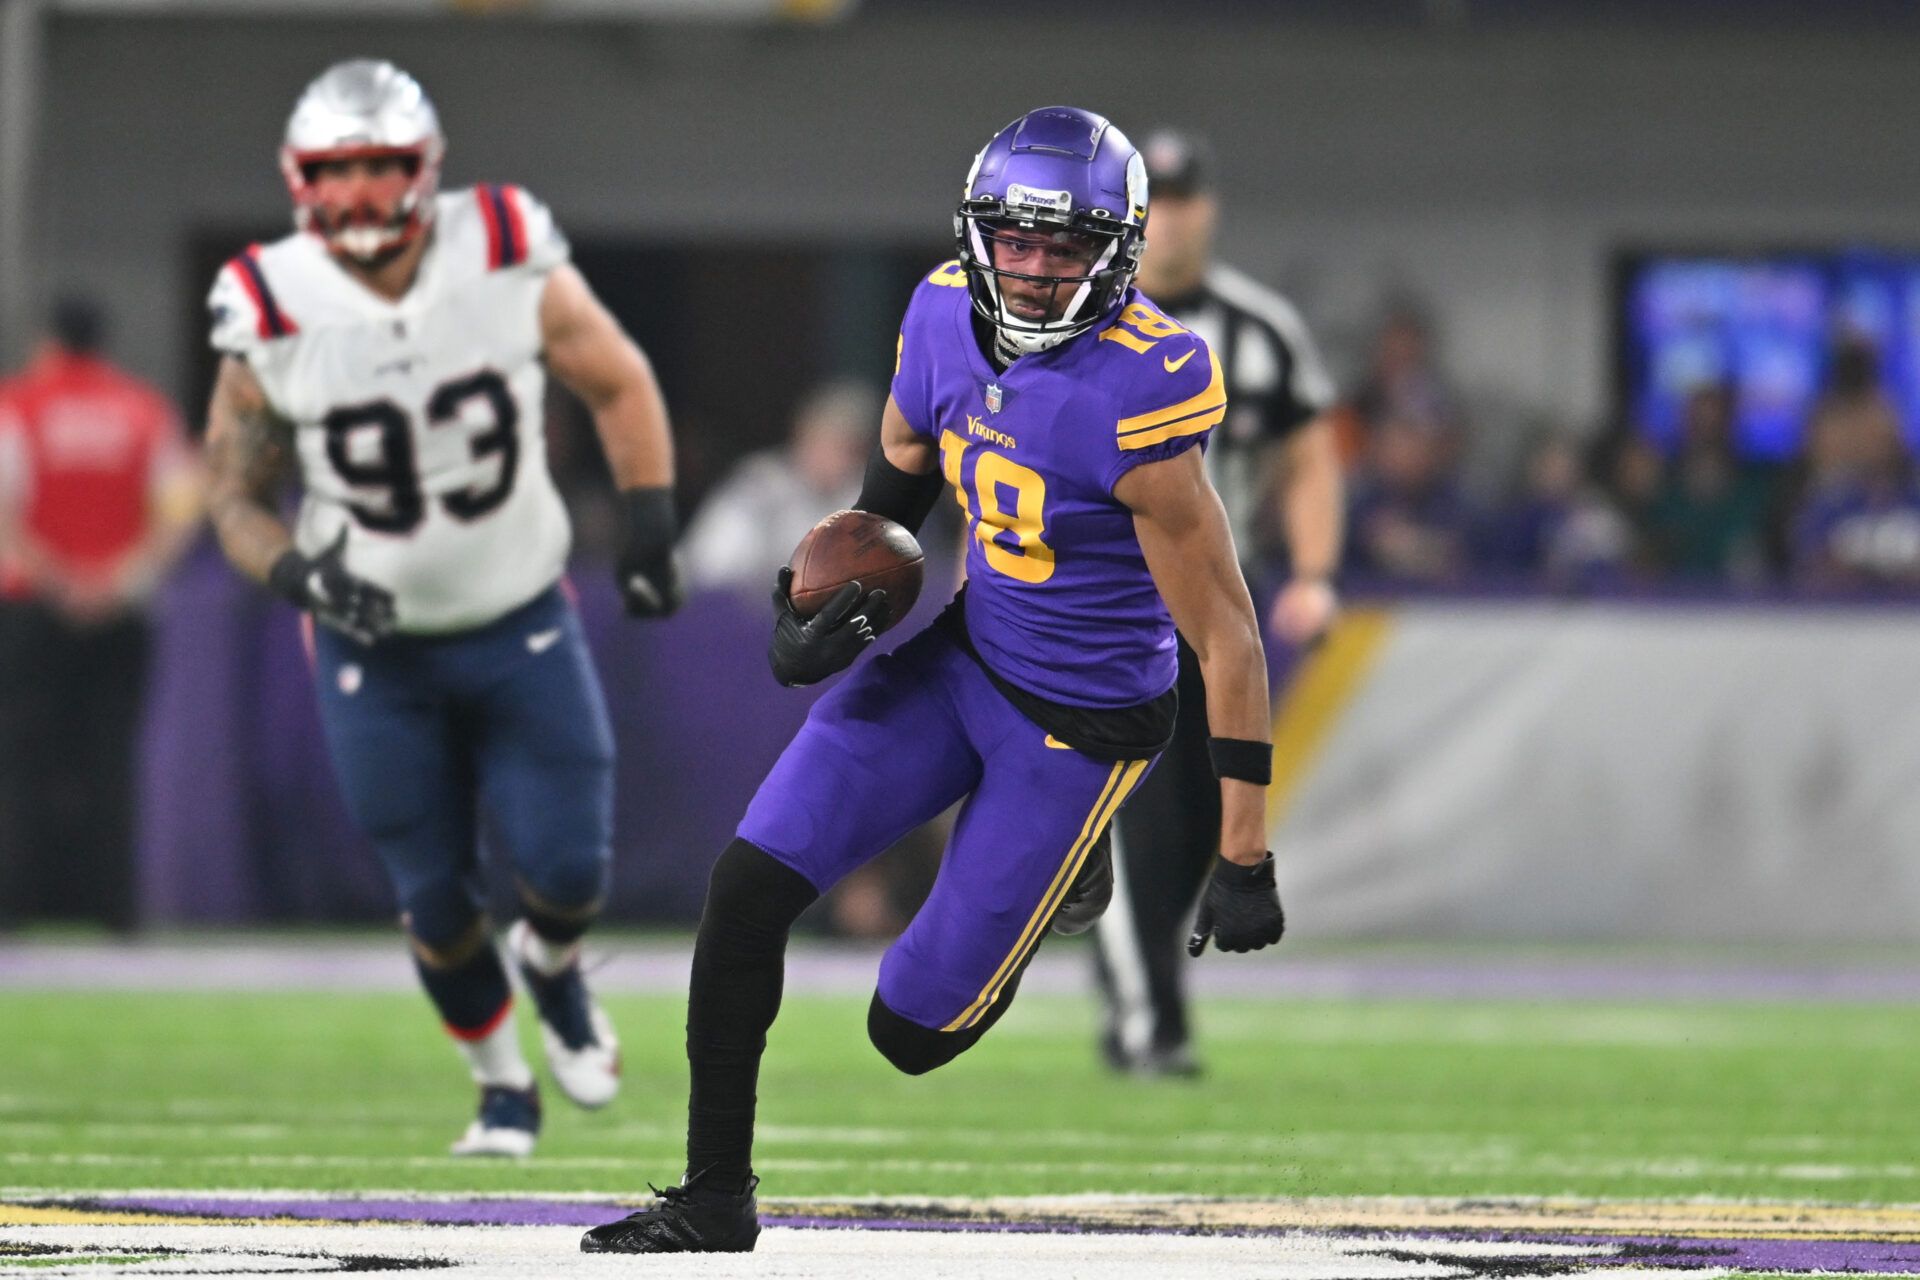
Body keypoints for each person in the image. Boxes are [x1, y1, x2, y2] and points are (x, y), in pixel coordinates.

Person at [581, 105, 1284, 1255]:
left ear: (1116, 251)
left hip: (1083, 726)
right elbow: (895, 485)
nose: (1036, 266)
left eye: (1067, 246)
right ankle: (714, 1197)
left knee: (908, 1030)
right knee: (747, 887)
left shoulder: (1144, 387)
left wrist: (1244, 854)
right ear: (978, 232)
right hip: (965, 655)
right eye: (1016, 238)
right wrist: (819, 602)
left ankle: (1071, 857)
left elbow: (1230, 638)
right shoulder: (939, 313)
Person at [200, 60, 682, 1157]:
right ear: (299, 180)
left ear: (426, 172)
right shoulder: (270, 303)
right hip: (377, 646)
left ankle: (554, 969)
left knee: (568, 870)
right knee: (431, 889)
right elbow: (229, 491)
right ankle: (503, 1088)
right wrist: (295, 573)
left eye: (382, 167)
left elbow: (616, 378)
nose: (362, 194)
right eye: (338, 171)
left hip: (519, 616)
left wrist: (649, 521)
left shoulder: (503, 245)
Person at [1090, 128, 1342, 1078]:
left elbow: (1311, 456)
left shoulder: (1258, 329)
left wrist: (1315, 571)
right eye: (1155, 201)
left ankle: (1147, 1000)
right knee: (1137, 820)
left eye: (1186, 198)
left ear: (1210, 209)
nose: (1171, 220)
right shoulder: (1079, 319)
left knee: (1205, 823)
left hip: (1217, 607)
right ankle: (1149, 1020)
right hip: (1107, 605)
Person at [0, 298, 203, 933]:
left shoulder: (18, 406)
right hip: (122, 612)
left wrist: (60, 580)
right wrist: (120, 578)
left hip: (31, 608)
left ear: (49, 343)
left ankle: (15, 903)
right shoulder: (143, 411)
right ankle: (115, 910)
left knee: (20, 762)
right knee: (111, 759)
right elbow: (180, 510)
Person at [680, 379, 877, 596]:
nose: (841, 460)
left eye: (851, 450)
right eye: (832, 444)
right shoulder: (758, 485)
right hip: (744, 618)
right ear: (803, 434)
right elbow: (708, 566)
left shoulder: (863, 495)